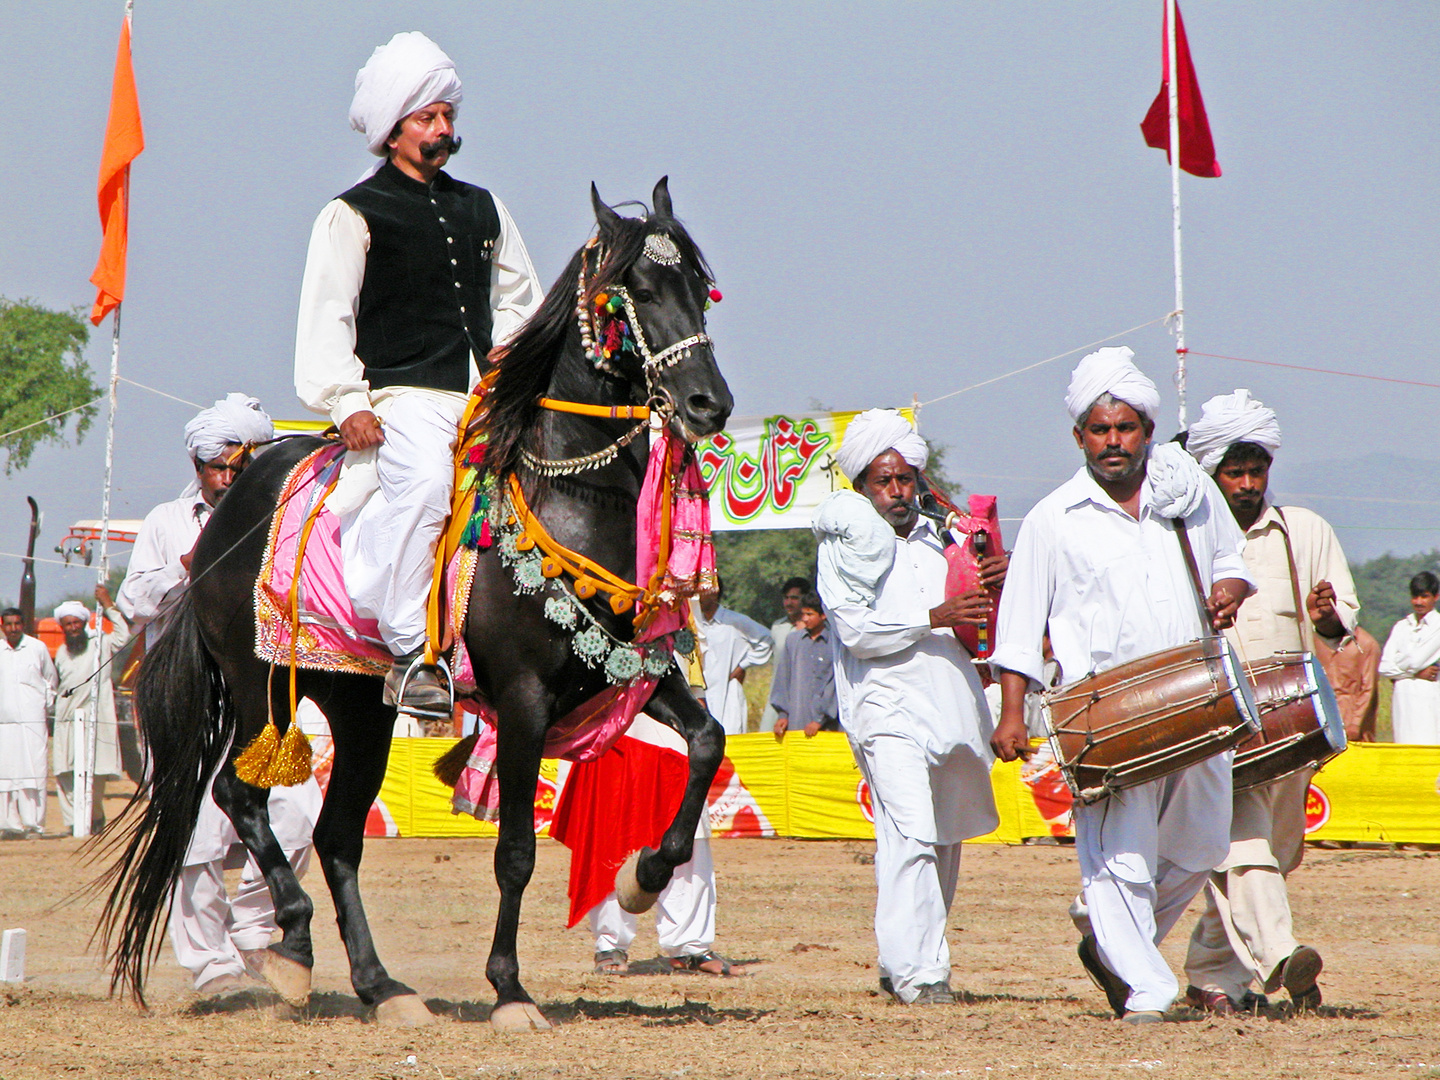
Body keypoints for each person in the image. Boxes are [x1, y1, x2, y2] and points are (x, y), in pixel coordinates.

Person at [990, 348, 1254, 1024]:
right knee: (1123, 854)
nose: (1114, 442)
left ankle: (1110, 937)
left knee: (1200, 845)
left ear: (1146, 431)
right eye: (1100, 430)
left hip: (1199, 692)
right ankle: (1147, 987)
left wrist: (1228, 587)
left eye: (1127, 428)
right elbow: (1018, 625)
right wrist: (1012, 713)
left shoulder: (1185, 494)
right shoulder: (1054, 517)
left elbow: (1232, 556)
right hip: (1104, 711)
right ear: (1079, 436)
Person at [294, 31, 541, 715]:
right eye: (427, 119)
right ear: (392, 130)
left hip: (486, 399)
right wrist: (347, 401)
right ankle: (412, 653)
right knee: (429, 483)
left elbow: (522, 298)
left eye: (447, 117)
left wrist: (517, 352)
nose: (442, 130)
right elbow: (327, 316)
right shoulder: (352, 213)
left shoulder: (484, 206)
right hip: (401, 398)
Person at [117, 396, 323, 995]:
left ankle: (257, 934)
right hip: (186, 702)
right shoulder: (166, 521)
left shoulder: (277, 523)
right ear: (197, 464)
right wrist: (186, 567)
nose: (229, 479)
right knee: (197, 838)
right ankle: (211, 965)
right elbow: (133, 606)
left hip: (257, 703)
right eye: (219, 468)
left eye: (242, 468)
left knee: (296, 814)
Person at [815, 408, 1003, 1005]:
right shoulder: (843, 547)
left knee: (944, 840)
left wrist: (996, 582)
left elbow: (984, 630)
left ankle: (911, 957)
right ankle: (918, 973)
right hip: (885, 708)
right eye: (882, 481)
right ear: (861, 487)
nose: (897, 491)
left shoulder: (943, 541)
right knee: (910, 834)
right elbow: (855, 632)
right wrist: (933, 618)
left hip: (951, 704)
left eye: (904, 479)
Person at [1179, 388, 1358, 1013]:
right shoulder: (1185, 540)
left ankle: (1211, 980)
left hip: (1292, 728)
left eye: (1257, 470)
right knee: (1243, 846)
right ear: (1211, 472)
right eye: (1236, 471)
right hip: (1218, 726)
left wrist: (1327, 618)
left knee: (1273, 861)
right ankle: (1283, 957)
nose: (1249, 482)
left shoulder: (1303, 531)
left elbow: (1341, 628)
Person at [587, 714, 742, 977]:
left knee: (686, 816)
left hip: (674, 704)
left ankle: (690, 945)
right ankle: (610, 943)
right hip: (609, 707)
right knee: (611, 820)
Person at [51, 586, 131, 833]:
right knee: (65, 772)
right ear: (62, 627)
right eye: (68, 624)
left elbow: (124, 635)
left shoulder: (100, 643)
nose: (73, 627)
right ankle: (74, 822)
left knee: (94, 774)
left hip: (96, 717)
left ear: (83, 622)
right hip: (66, 720)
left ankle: (95, 818)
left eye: (76, 622)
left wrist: (108, 605)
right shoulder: (62, 653)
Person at [0, 607, 57, 838]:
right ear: (2, 626)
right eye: (9, 624)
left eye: (17, 624)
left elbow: (50, 680)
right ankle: (9, 825)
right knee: (4, 774)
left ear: (23, 625)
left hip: (32, 722)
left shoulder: (37, 648)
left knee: (33, 771)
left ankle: (34, 825)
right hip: (3, 723)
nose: (13, 628)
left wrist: (43, 705)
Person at [696, 581, 773, 736]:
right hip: (701, 693)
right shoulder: (694, 623)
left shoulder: (734, 621)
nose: (697, 597)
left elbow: (766, 639)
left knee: (729, 735)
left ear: (714, 592)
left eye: (701, 592)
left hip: (728, 691)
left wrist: (742, 666)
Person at [1378, 572, 1440, 743]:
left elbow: (1415, 660)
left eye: (1424, 596)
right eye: (1415, 596)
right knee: (1404, 749)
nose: (1418, 602)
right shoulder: (1402, 627)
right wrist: (1415, 674)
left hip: (1430, 699)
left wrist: (1400, 663)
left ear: (1436, 597)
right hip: (1403, 701)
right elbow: (1384, 667)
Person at [769, 591, 838, 737]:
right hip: (797, 720)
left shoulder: (835, 643)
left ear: (823, 615)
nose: (805, 619)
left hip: (829, 726)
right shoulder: (793, 641)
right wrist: (783, 715)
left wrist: (820, 719)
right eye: (803, 614)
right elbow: (783, 679)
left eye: (810, 614)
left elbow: (835, 685)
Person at [759, 577, 812, 733]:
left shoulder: (815, 630)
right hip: (778, 698)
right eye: (786, 598)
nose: (789, 603)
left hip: (804, 699)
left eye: (794, 598)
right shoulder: (778, 627)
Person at [1316, 626, 1381, 742]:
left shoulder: (1365, 643)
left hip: (1351, 717)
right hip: (1322, 718)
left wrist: (1356, 723)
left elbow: (1368, 687)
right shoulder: (1310, 641)